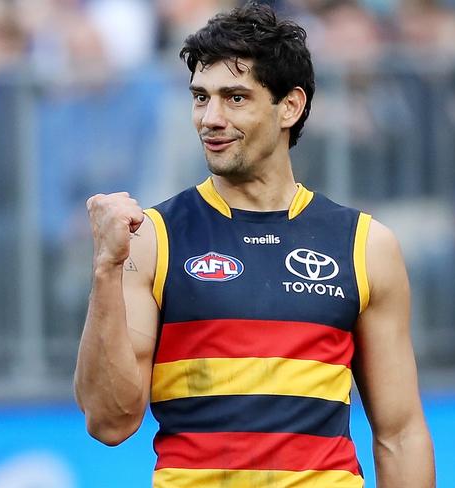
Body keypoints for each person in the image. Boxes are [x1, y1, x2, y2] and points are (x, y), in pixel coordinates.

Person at [74, 3, 435, 487]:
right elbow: (109, 422)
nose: (211, 118)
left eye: (236, 97)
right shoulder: (151, 238)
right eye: (201, 97)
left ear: (290, 105)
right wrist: (105, 268)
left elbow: (401, 433)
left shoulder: (365, 245)